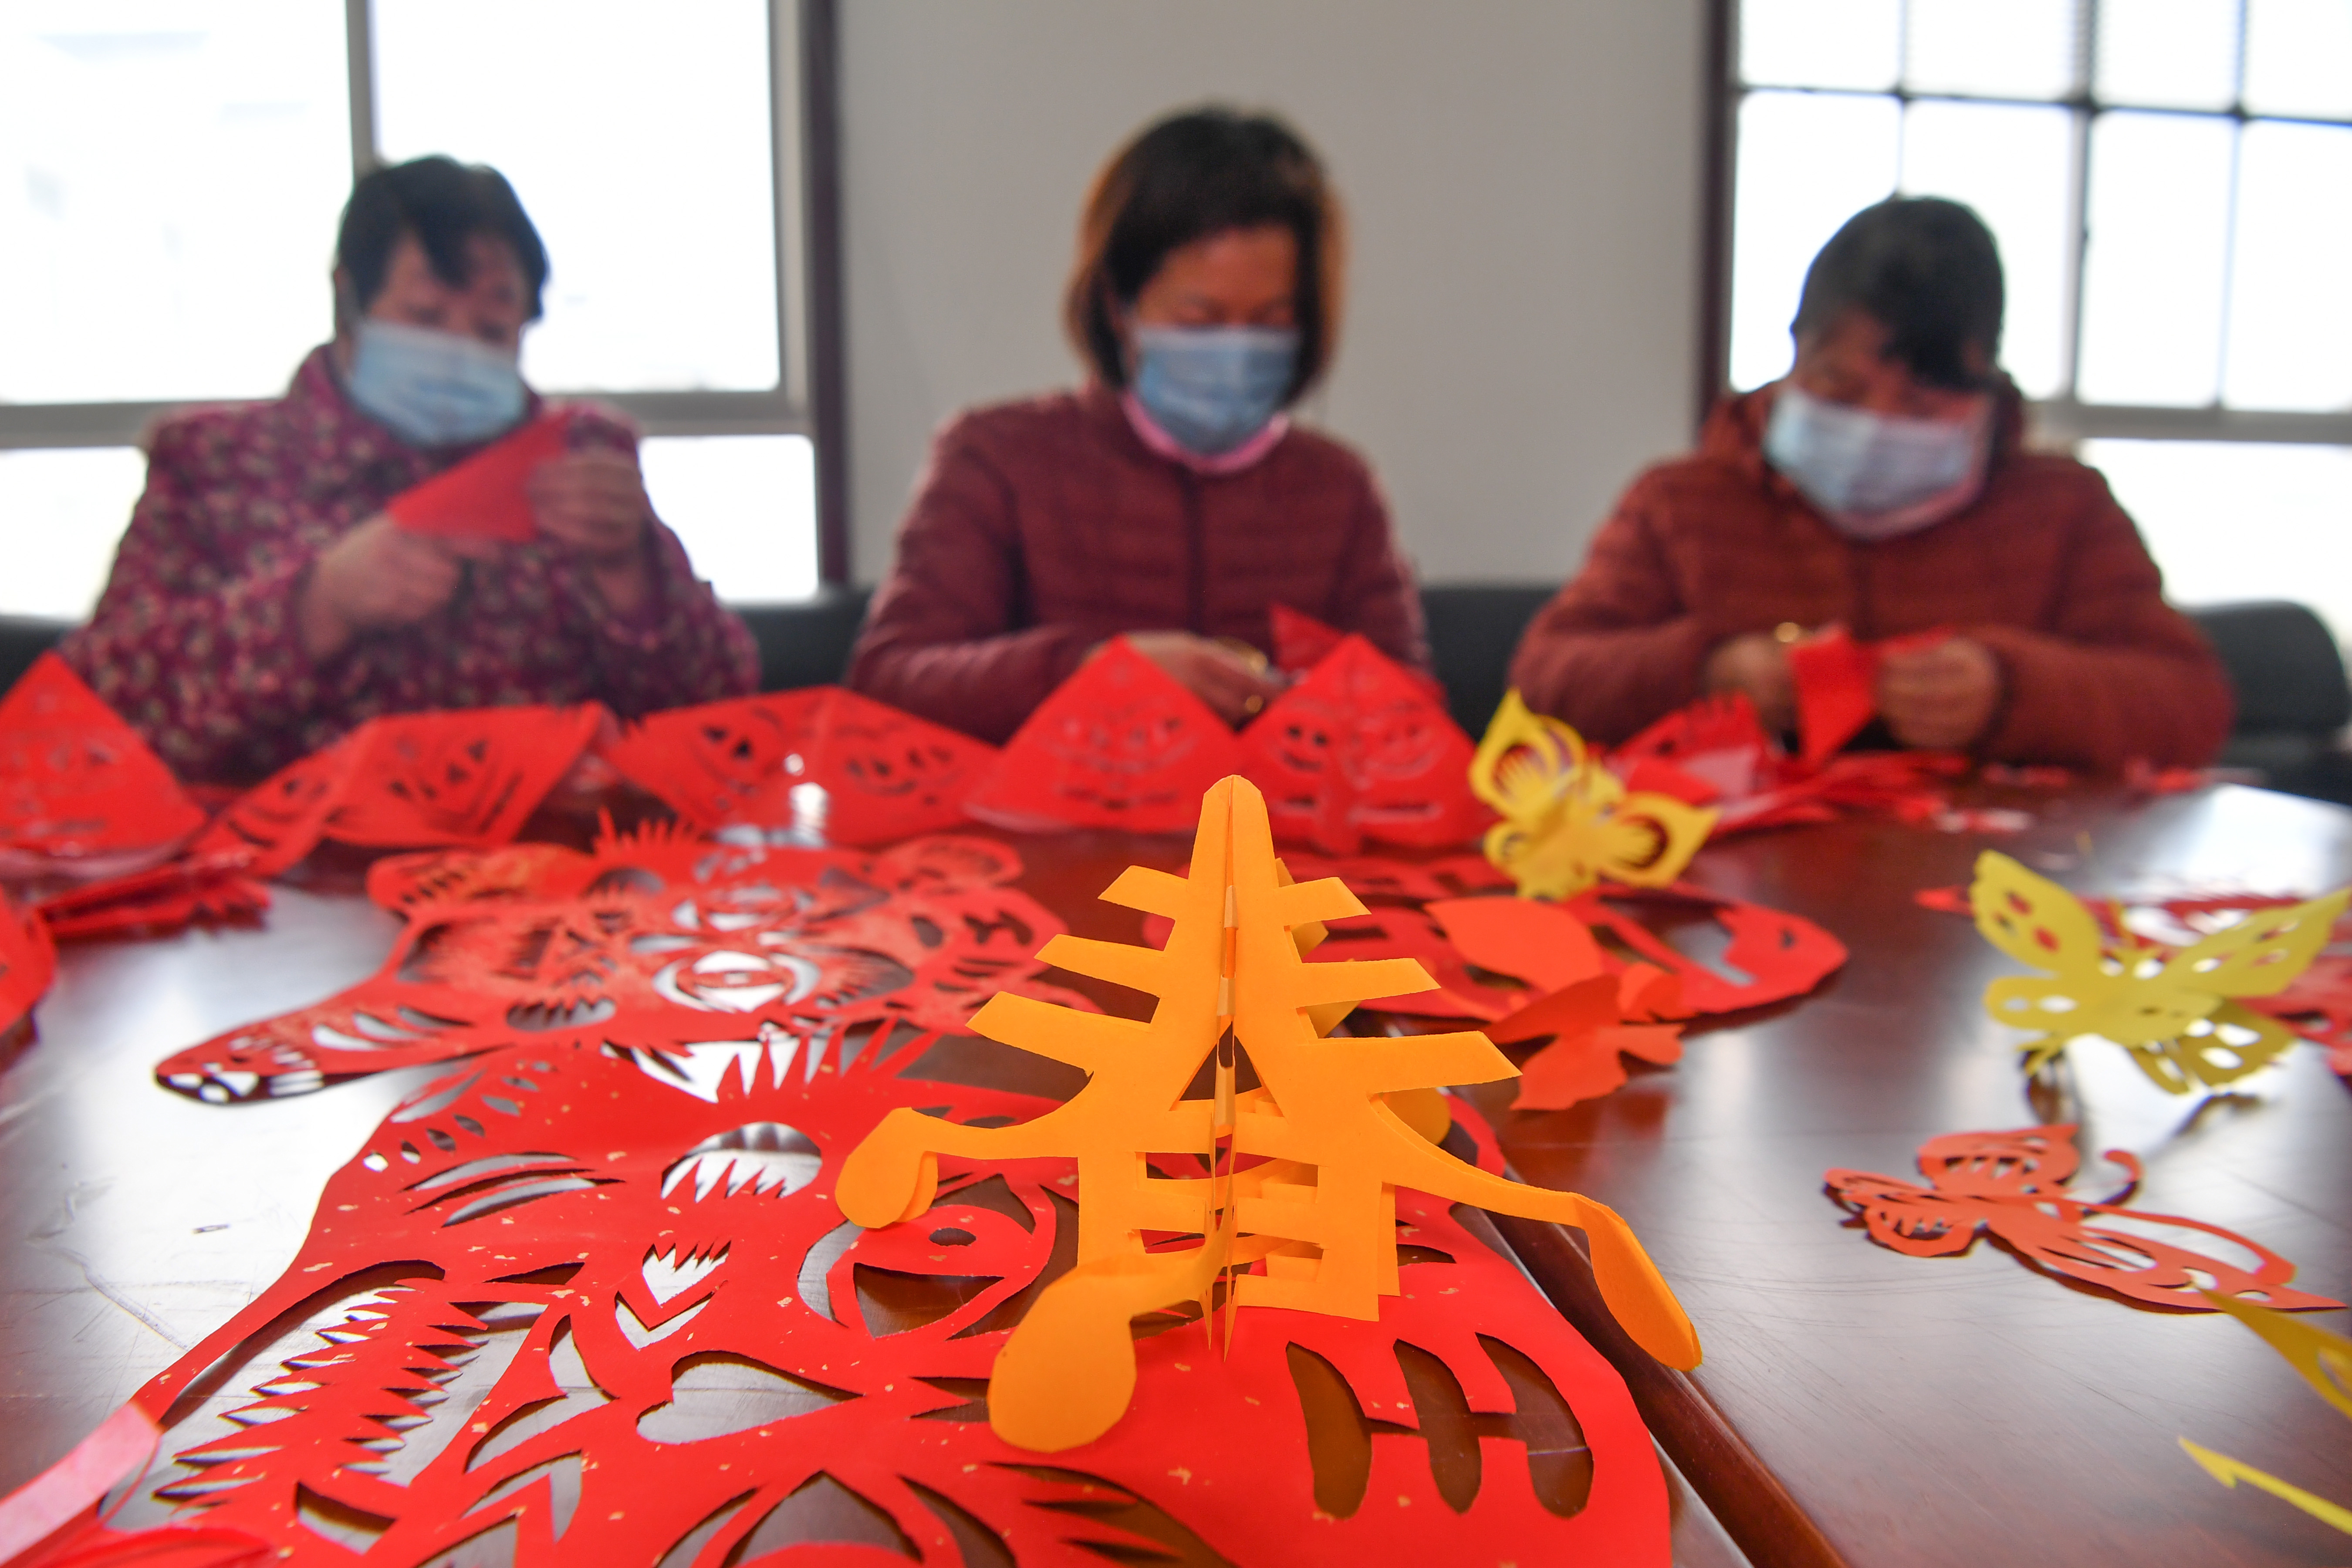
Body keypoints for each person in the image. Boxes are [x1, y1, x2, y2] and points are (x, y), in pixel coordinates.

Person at [61, 156, 758, 784]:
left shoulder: (576, 459)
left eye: (491, 331)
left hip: (547, 868)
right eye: (425, 317)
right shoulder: (216, 466)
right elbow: (97, 719)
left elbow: (727, 725)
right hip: (279, 871)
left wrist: (632, 575)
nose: (457, 349)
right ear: (349, 301)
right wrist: (317, 606)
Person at [1510, 197, 2232, 771]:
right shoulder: (1680, 501)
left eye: (1920, 403)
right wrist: (1709, 674)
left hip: (2002, 880)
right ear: (1795, 352)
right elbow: (1545, 680)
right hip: (1732, 877)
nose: (1874, 424)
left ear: (1984, 385)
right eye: (1840, 385)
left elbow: (2190, 704)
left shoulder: (2064, 510)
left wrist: (2009, 689)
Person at [847, 107, 1428, 744]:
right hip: (1056, 810)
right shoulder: (995, 459)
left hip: (1267, 812)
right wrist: (1090, 673)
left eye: (1269, 321)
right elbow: (888, 681)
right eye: (1200, 321)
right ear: (1117, 307)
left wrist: (1321, 710)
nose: (1237, 351)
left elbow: (1412, 710)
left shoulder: (1338, 487)